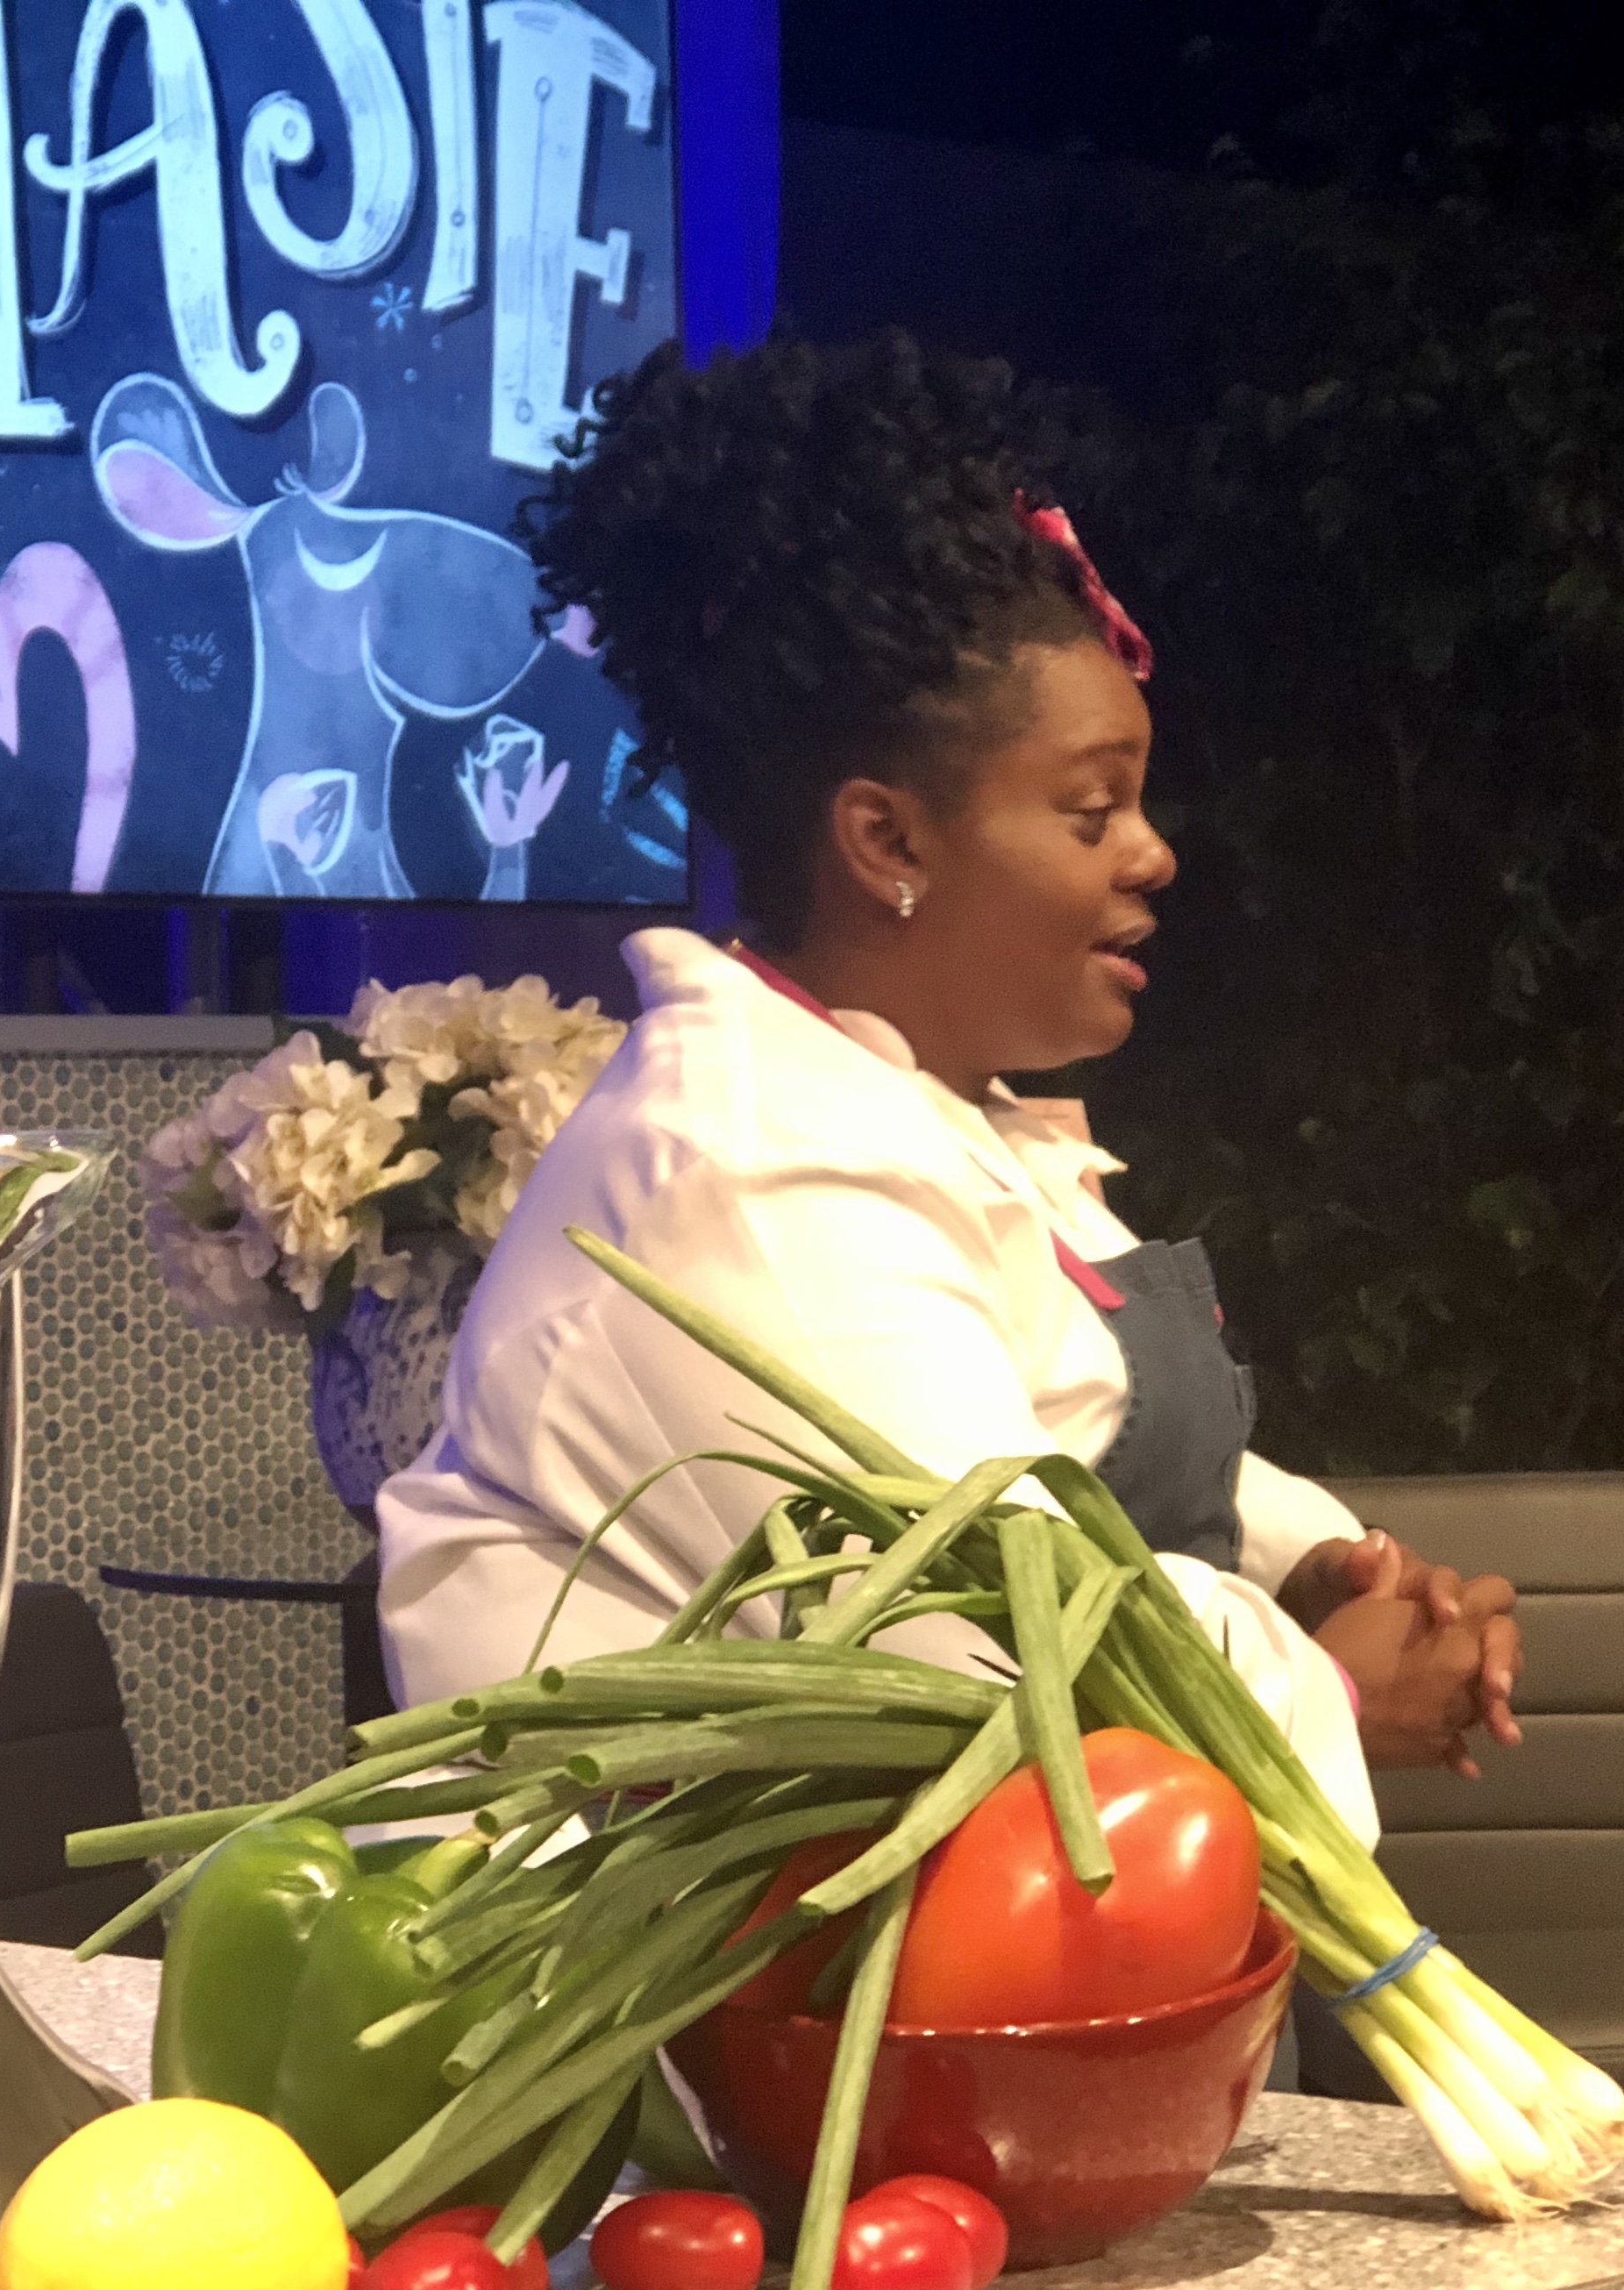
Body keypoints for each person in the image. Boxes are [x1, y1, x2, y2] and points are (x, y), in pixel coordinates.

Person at [376, 334, 1521, 1842]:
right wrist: (1334, 1688)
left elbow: (1065, 1442)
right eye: (1093, 809)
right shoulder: (752, 1174)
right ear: (889, 842)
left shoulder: (911, 1111)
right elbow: (1010, 1651)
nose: (1155, 853)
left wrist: (1312, 1562)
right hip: (727, 1979)